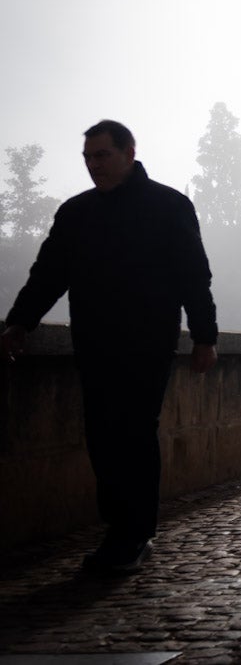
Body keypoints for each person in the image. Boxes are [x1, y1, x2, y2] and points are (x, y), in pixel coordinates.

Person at [1, 120, 218, 573]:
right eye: (88, 158)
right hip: (95, 343)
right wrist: (20, 323)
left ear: (129, 152)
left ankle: (132, 534)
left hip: (147, 343)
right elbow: (48, 275)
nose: (94, 165)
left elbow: (193, 276)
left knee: (134, 434)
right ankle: (121, 530)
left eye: (102, 155)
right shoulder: (76, 213)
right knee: (102, 438)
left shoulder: (169, 206)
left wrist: (205, 337)